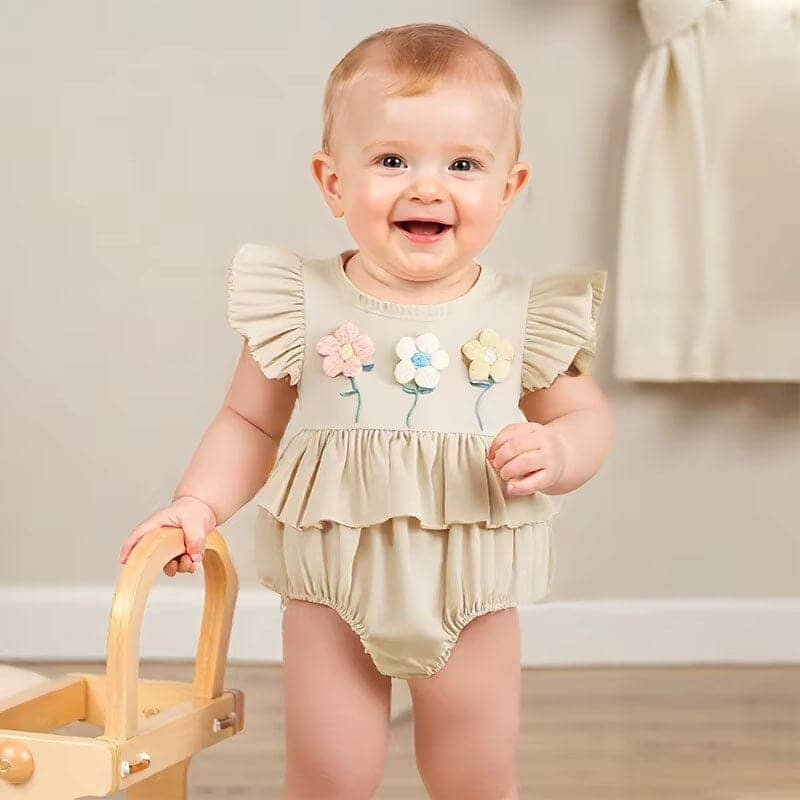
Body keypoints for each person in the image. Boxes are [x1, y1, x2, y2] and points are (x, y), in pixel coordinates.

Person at [119, 22, 613, 800]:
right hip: (332, 584)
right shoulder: (301, 302)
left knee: (474, 773)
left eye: (462, 164)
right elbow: (249, 423)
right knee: (329, 773)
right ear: (333, 182)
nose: (427, 187)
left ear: (508, 187)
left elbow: (586, 419)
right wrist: (198, 503)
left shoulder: (522, 314)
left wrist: (557, 452)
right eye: (391, 160)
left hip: (470, 583)